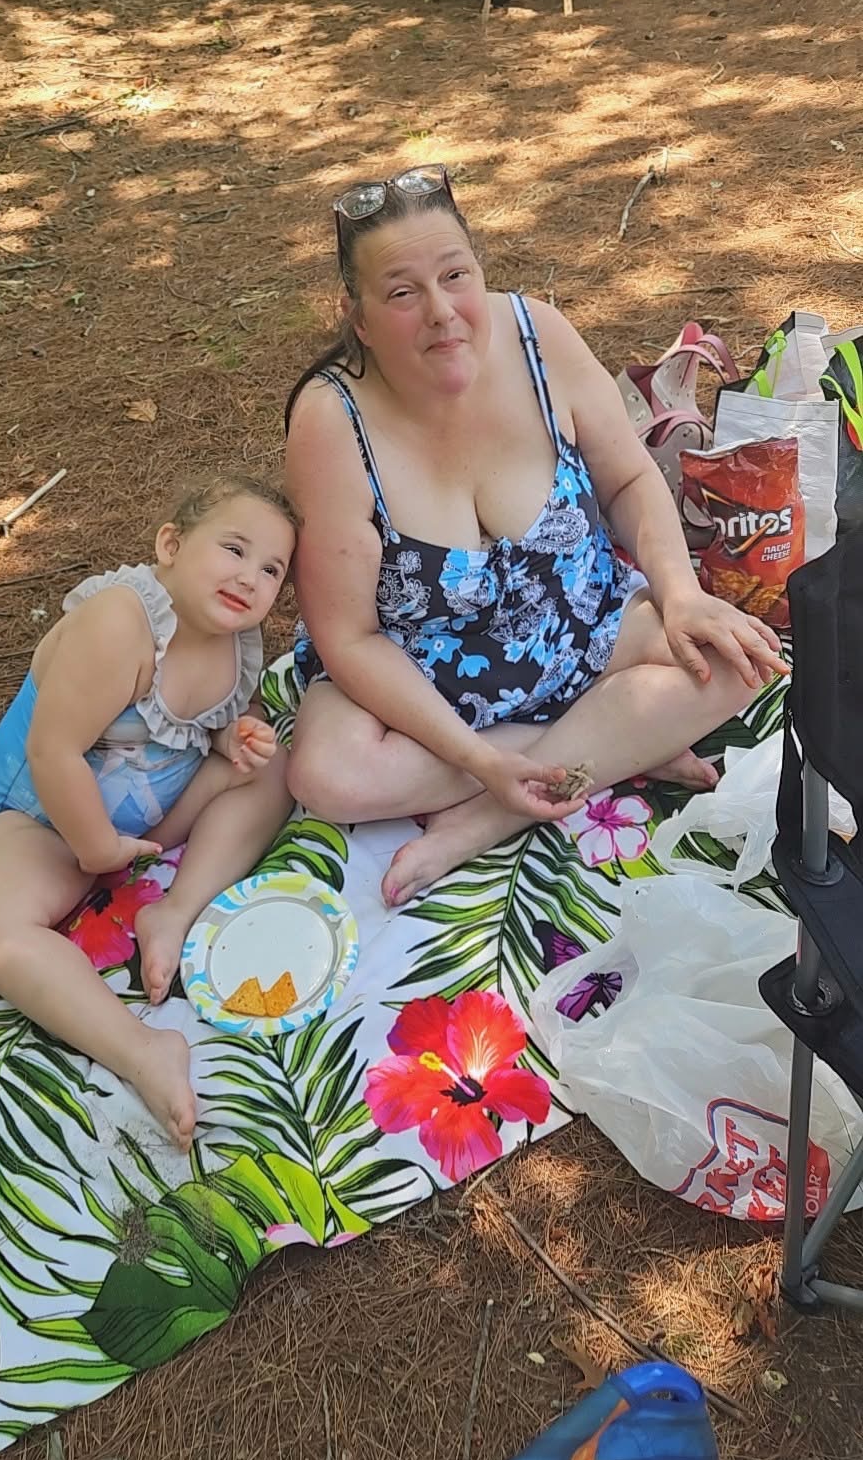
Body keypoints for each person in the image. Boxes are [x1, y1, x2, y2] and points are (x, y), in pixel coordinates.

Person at [283, 168, 787, 911]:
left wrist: (680, 596)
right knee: (327, 776)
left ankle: (490, 817)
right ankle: (613, 745)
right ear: (356, 317)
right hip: (427, 680)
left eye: (455, 275)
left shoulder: (538, 337)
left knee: (738, 659)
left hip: (582, 626)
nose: (442, 313)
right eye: (402, 293)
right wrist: (479, 757)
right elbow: (349, 638)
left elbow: (629, 479)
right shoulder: (331, 422)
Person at [0, 477, 298, 1150]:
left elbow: (210, 725)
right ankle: (141, 1050)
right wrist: (96, 850)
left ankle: (174, 911)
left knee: (275, 766)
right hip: (49, 822)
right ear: (171, 545)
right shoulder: (121, 622)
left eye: (271, 570)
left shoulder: (236, 640)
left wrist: (235, 739)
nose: (249, 577)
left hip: (151, 819)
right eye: (234, 549)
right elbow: (52, 750)